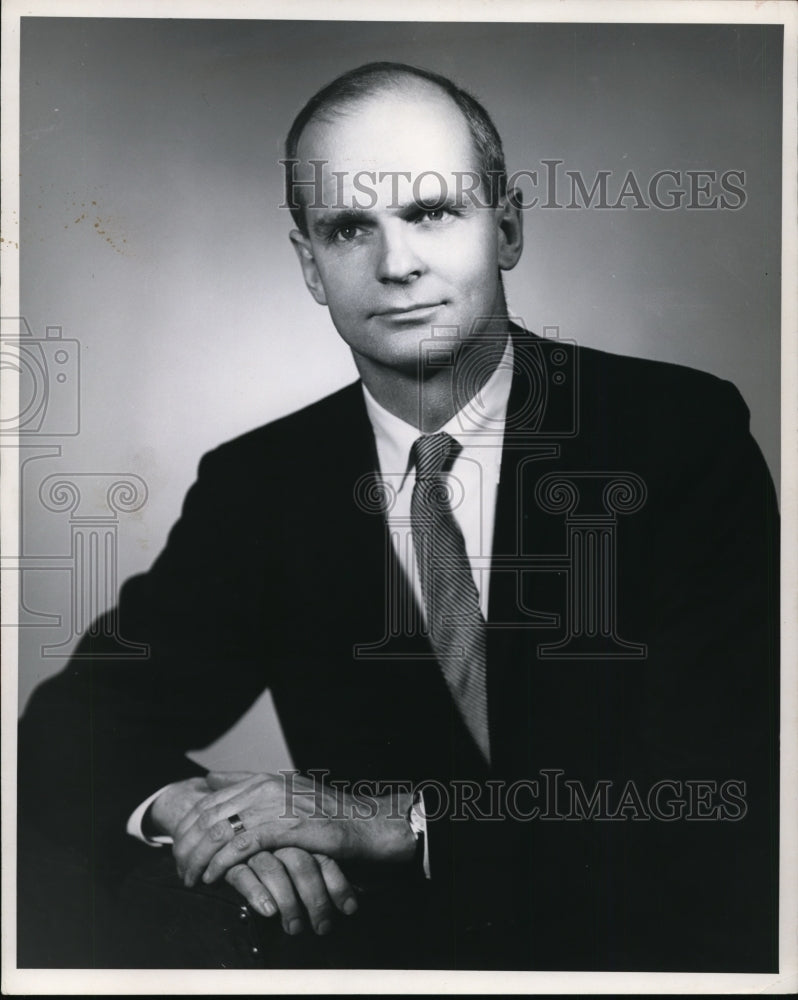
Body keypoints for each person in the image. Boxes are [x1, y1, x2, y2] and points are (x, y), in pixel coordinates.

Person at [18, 62, 779, 972]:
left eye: (430, 212)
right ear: (310, 264)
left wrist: (405, 824)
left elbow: (726, 791)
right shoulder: (262, 484)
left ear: (507, 225)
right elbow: (73, 726)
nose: (396, 265)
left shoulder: (677, 433)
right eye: (348, 228)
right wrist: (192, 809)